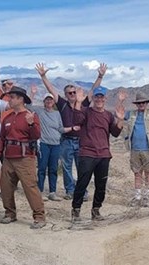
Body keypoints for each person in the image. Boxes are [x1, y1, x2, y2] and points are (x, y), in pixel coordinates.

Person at [36, 62, 106, 200]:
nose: (73, 94)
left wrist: (100, 76)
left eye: (74, 92)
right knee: (67, 167)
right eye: (70, 93)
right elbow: (50, 89)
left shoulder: (83, 104)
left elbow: (93, 90)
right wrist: (44, 76)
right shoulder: (62, 105)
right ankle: (70, 191)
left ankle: (82, 191)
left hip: (81, 141)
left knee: (83, 168)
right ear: (66, 95)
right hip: (66, 140)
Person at [0, 86, 46, 229]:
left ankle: (39, 216)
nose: (9, 100)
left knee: (30, 187)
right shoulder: (8, 118)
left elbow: (36, 136)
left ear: (21, 99)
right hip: (9, 157)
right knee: (6, 186)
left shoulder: (30, 116)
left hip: (25, 158)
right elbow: (1, 138)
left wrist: (31, 124)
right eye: (10, 97)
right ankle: (10, 213)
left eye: (12, 97)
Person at [70, 86, 124, 222]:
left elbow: (115, 133)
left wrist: (120, 120)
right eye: (97, 97)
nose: (99, 99)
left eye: (101, 97)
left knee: (101, 185)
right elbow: (77, 120)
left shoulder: (108, 115)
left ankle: (96, 210)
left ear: (105, 99)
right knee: (82, 183)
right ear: (93, 98)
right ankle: (76, 210)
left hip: (104, 154)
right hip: (87, 153)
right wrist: (78, 103)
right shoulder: (86, 112)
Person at [29, 85, 79, 201]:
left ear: (53, 102)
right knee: (42, 168)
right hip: (44, 144)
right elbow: (28, 106)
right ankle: (40, 192)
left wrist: (72, 128)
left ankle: (52, 192)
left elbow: (61, 129)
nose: (49, 101)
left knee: (53, 169)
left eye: (51, 100)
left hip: (56, 144)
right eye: (47, 99)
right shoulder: (40, 112)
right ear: (44, 102)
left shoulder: (57, 114)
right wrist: (32, 93)